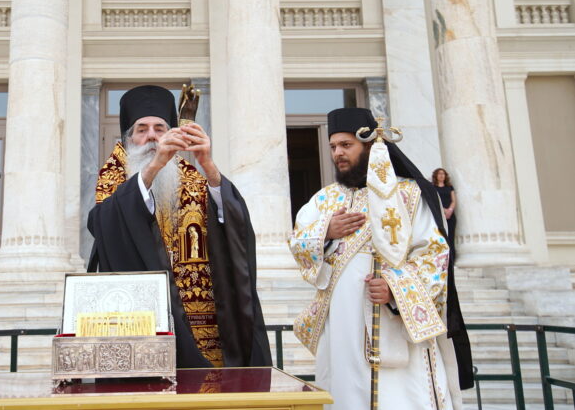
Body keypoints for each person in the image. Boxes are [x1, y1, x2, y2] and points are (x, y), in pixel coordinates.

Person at [288, 108, 472, 409]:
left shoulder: (410, 195)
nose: (338, 153)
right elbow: (298, 245)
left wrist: (394, 289)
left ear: (370, 147)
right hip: (340, 329)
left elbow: (435, 255)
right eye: (333, 147)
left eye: (346, 145)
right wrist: (326, 232)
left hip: (393, 324)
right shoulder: (323, 199)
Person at [87, 85, 272, 368]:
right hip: (144, 326)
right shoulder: (113, 178)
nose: (151, 136)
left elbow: (236, 228)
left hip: (207, 329)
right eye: (142, 129)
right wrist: (154, 167)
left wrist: (209, 165)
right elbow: (103, 225)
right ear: (128, 139)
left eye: (160, 128)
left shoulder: (197, 177)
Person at [432, 168, 457, 251]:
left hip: (450, 216)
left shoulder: (449, 187)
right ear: (436, 175)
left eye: (443, 174)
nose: (442, 175)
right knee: (442, 238)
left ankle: (452, 259)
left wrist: (450, 210)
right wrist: (443, 210)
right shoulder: (433, 187)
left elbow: (453, 200)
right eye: (439, 173)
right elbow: (434, 201)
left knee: (451, 238)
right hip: (439, 215)